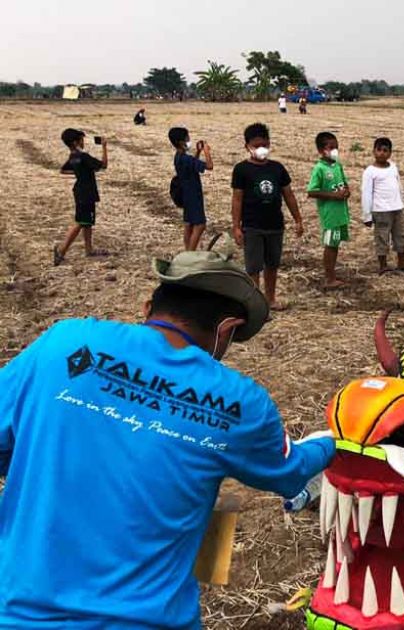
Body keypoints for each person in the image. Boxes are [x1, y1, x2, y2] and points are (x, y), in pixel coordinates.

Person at [0, 250, 335, 629]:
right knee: (220, 508)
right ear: (226, 330)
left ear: (148, 307)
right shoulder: (239, 402)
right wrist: (332, 443)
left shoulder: (64, 344)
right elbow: (291, 473)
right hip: (150, 621)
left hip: (18, 614)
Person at [231, 123, 304, 311]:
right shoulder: (241, 170)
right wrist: (236, 226)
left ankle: (270, 299)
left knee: (272, 265)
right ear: (246, 146)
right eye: (256, 145)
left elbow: (288, 195)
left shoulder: (277, 168)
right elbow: (237, 199)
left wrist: (298, 219)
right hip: (252, 226)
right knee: (254, 267)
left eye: (264, 144)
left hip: (275, 225)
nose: (261, 149)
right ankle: (256, 306)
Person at [54, 128, 108, 265]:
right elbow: (103, 165)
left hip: (79, 190)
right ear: (75, 142)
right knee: (81, 222)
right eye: (81, 140)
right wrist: (104, 147)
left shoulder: (73, 156)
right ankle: (61, 250)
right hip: (87, 193)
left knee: (87, 222)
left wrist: (80, 173)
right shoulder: (83, 156)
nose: (83, 142)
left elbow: (63, 170)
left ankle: (89, 250)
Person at [307, 131, 351, 289]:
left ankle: (331, 274)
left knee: (335, 244)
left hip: (341, 214)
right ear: (321, 150)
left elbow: (344, 184)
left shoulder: (337, 166)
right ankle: (329, 278)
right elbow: (312, 191)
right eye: (331, 147)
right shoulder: (319, 169)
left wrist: (346, 191)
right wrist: (333, 195)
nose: (335, 151)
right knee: (330, 245)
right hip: (330, 215)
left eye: (336, 147)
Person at [361, 137, 404, 274]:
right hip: (381, 211)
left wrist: (401, 202)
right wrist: (367, 216)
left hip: (397, 208)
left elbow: (399, 185)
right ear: (373, 151)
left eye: (385, 150)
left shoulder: (393, 167)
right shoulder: (370, 171)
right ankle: (383, 266)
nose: (382, 153)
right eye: (379, 150)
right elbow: (366, 193)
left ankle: (401, 264)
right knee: (382, 237)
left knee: (401, 236)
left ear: (390, 153)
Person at [169, 127, 213, 251]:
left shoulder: (179, 157)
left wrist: (198, 152)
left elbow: (193, 164)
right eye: (187, 138)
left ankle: (187, 250)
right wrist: (206, 151)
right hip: (194, 194)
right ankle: (190, 252)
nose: (189, 140)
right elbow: (209, 166)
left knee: (189, 224)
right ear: (181, 142)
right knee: (200, 225)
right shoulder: (186, 159)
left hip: (185, 194)